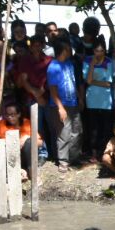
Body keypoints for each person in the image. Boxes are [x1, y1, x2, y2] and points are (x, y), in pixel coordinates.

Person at [46, 39, 82, 170]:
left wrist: (79, 98)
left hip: (73, 102)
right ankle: (63, 161)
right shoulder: (53, 67)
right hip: (61, 104)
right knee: (64, 132)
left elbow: (73, 82)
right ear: (63, 50)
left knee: (77, 131)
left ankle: (73, 157)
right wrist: (60, 107)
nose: (70, 50)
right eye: (68, 48)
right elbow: (53, 90)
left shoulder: (69, 64)